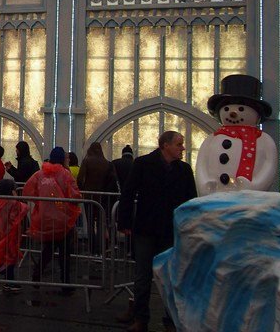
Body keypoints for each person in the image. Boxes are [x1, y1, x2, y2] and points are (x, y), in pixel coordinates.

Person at [117, 130, 197, 332]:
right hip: (149, 228)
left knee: (167, 276)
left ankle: (167, 319)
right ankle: (142, 319)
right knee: (144, 276)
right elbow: (128, 192)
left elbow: (190, 200)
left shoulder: (183, 170)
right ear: (165, 145)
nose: (182, 148)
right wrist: (125, 221)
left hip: (166, 229)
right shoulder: (144, 164)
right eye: (179, 144)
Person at [23, 146, 81, 294]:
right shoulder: (65, 174)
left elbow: (28, 189)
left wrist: (39, 203)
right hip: (63, 220)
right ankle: (65, 284)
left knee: (48, 249)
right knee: (64, 252)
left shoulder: (40, 174)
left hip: (45, 218)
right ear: (62, 159)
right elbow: (75, 195)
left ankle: (37, 275)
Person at [0, 178, 28, 292]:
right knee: (10, 259)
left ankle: (1, 275)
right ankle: (9, 282)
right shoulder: (12, 204)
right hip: (10, 236)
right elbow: (24, 208)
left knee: (2, 256)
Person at [77, 142, 118, 254]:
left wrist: (81, 190)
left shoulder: (87, 161)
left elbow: (80, 178)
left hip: (89, 196)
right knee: (101, 223)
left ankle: (92, 249)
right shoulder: (106, 163)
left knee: (90, 223)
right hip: (103, 197)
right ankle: (101, 249)